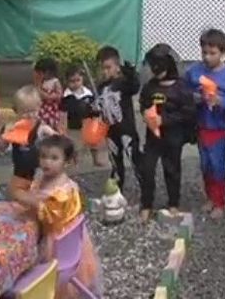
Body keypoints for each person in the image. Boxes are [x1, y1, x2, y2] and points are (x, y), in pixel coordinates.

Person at [28, 135, 102, 298]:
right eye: (43, 156)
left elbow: (49, 216)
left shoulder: (63, 189)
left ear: (66, 162)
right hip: (65, 237)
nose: (47, 162)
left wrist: (31, 201)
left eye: (54, 158)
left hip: (58, 242)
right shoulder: (43, 179)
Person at [185, 29, 225, 219]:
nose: (207, 57)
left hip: (220, 127)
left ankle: (219, 202)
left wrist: (221, 101)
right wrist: (197, 97)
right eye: (204, 53)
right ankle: (209, 197)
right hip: (202, 125)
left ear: (223, 52)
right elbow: (184, 93)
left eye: (212, 53)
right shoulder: (194, 71)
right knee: (205, 164)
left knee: (218, 165)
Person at [139, 43, 198, 221]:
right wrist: (146, 115)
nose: (153, 72)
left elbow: (188, 112)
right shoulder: (150, 86)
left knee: (172, 169)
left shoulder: (181, 87)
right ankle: (146, 204)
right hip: (152, 137)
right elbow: (143, 103)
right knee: (147, 169)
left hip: (173, 136)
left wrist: (164, 120)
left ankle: (173, 203)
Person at [95, 46, 142, 191]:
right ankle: (116, 193)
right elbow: (97, 106)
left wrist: (131, 74)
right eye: (102, 68)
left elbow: (134, 87)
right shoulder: (101, 87)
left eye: (108, 67)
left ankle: (146, 195)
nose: (105, 71)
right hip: (110, 131)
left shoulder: (124, 83)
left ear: (117, 66)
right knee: (115, 164)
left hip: (126, 129)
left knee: (135, 161)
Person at [2, 85, 57, 206]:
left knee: (37, 194)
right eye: (25, 112)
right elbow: (2, 147)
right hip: (19, 172)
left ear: (39, 108)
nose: (30, 115)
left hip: (39, 171)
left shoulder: (42, 128)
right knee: (15, 195)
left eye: (33, 111)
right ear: (16, 111)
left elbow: (56, 139)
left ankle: (38, 209)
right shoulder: (14, 128)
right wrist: (5, 138)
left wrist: (54, 137)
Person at [61, 65, 108, 168]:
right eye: (72, 81)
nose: (75, 83)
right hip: (74, 126)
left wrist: (97, 117)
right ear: (67, 82)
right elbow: (63, 112)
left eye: (78, 80)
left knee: (94, 143)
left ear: (82, 79)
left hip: (89, 124)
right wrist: (63, 126)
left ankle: (96, 160)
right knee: (75, 146)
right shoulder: (66, 97)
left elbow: (94, 108)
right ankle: (75, 162)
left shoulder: (88, 94)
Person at [34, 58, 63, 132]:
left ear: (48, 72)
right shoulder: (42, 81)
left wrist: (49, 97)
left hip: (51, 107)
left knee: (52, 121)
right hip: (43, 106)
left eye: (40, 73)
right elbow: (38, 91)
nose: (39, 75)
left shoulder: (55, 82)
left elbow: (59, 95)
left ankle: (57, 133)